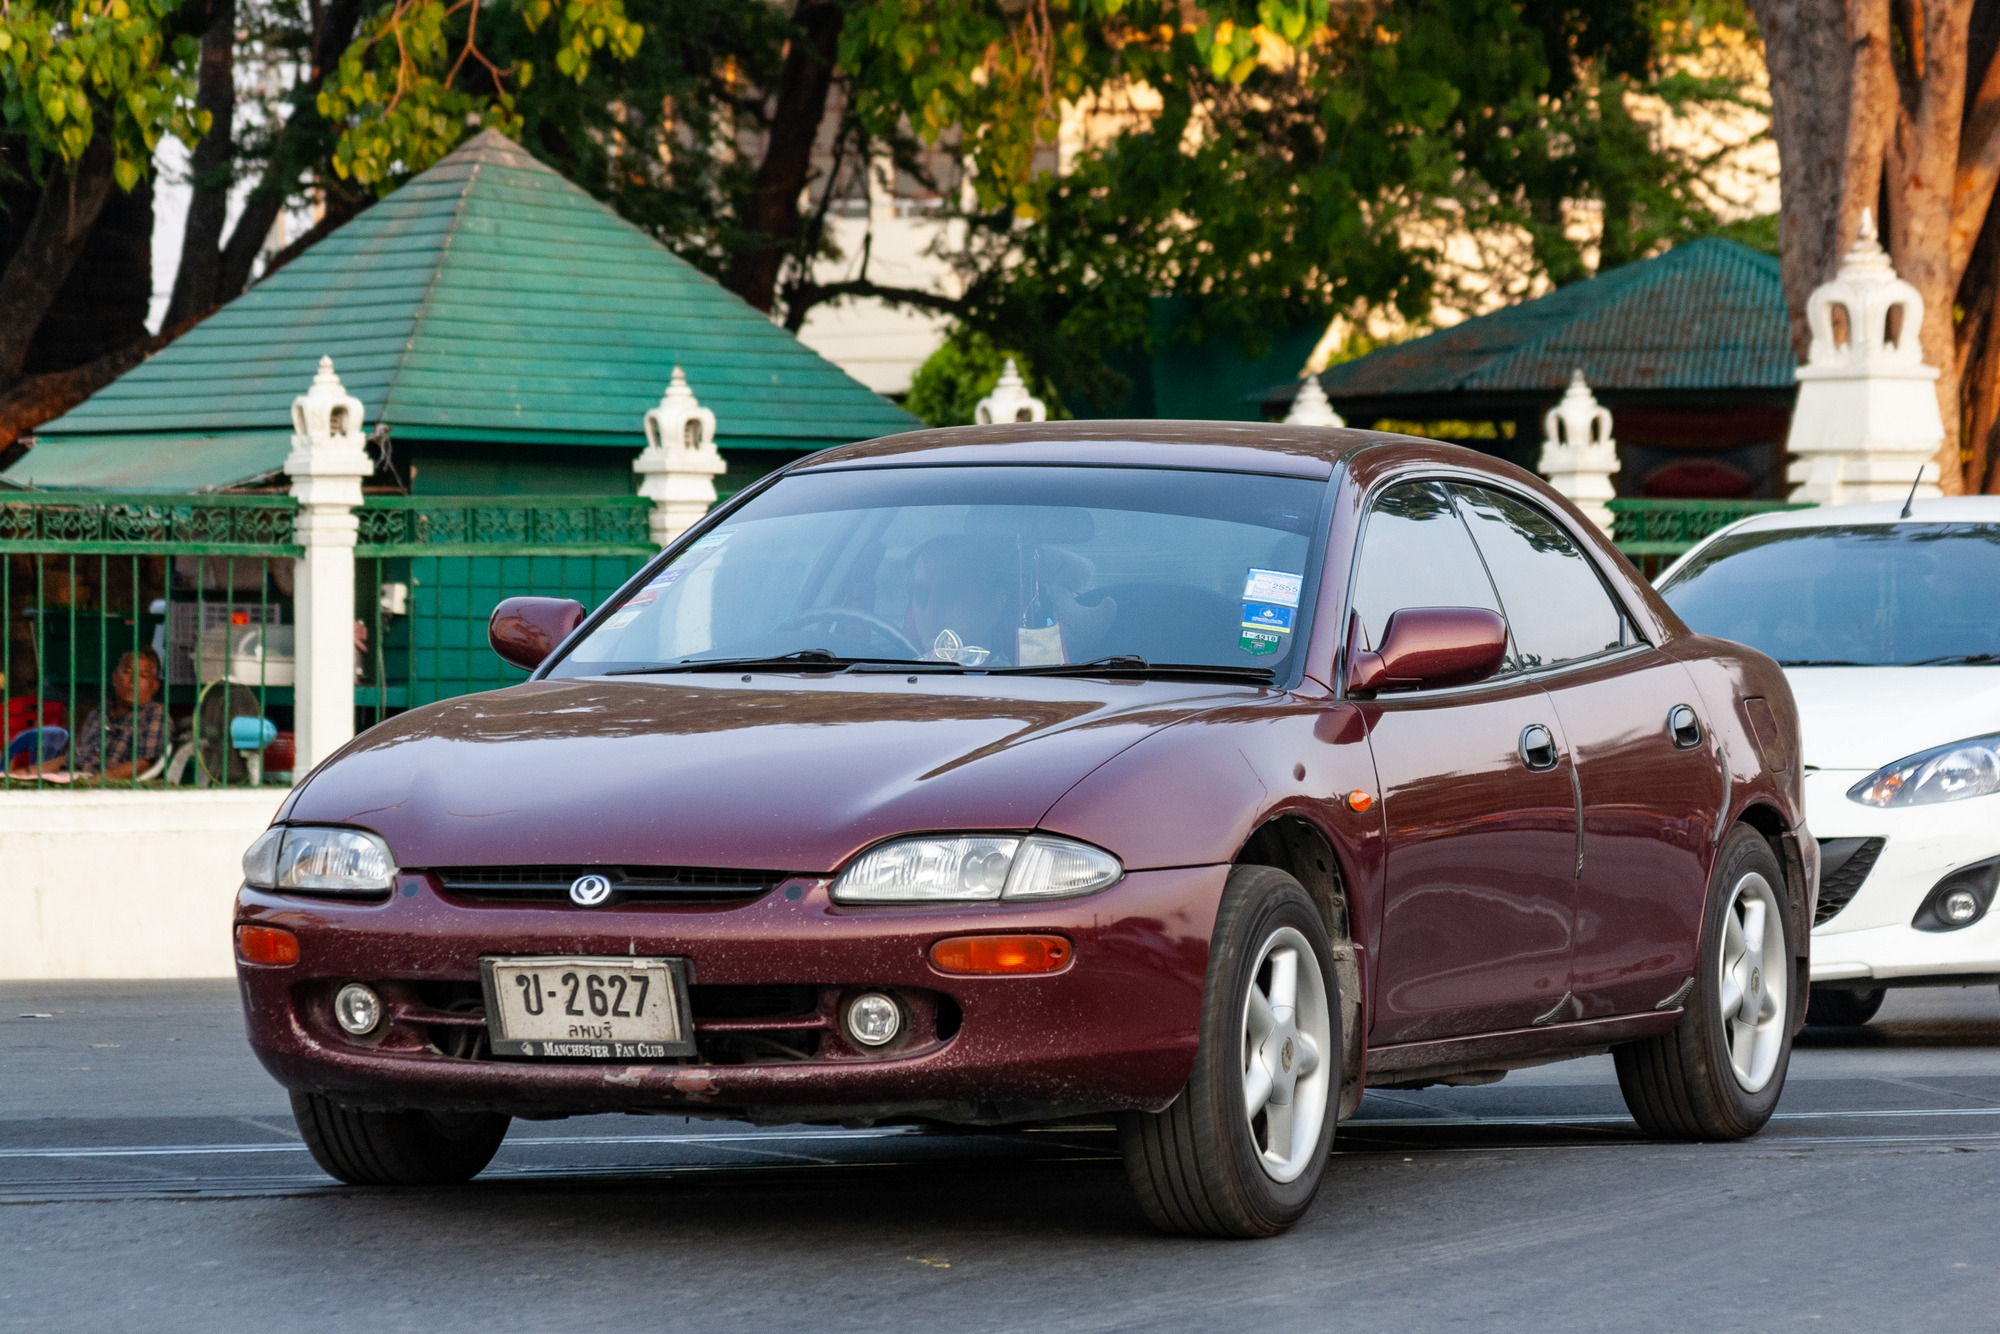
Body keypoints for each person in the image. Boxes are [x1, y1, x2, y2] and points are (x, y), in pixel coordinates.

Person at [42, 649, 168, 781]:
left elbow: (142, 765)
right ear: (114, 678)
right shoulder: (100, 713)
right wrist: (27, 773)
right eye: (127, 672)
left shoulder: (155, 714)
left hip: (101, 787)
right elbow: (70, 758)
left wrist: (92, 783)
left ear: (154, 686)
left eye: (143, 676)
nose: (133, 681)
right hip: (69, 779)